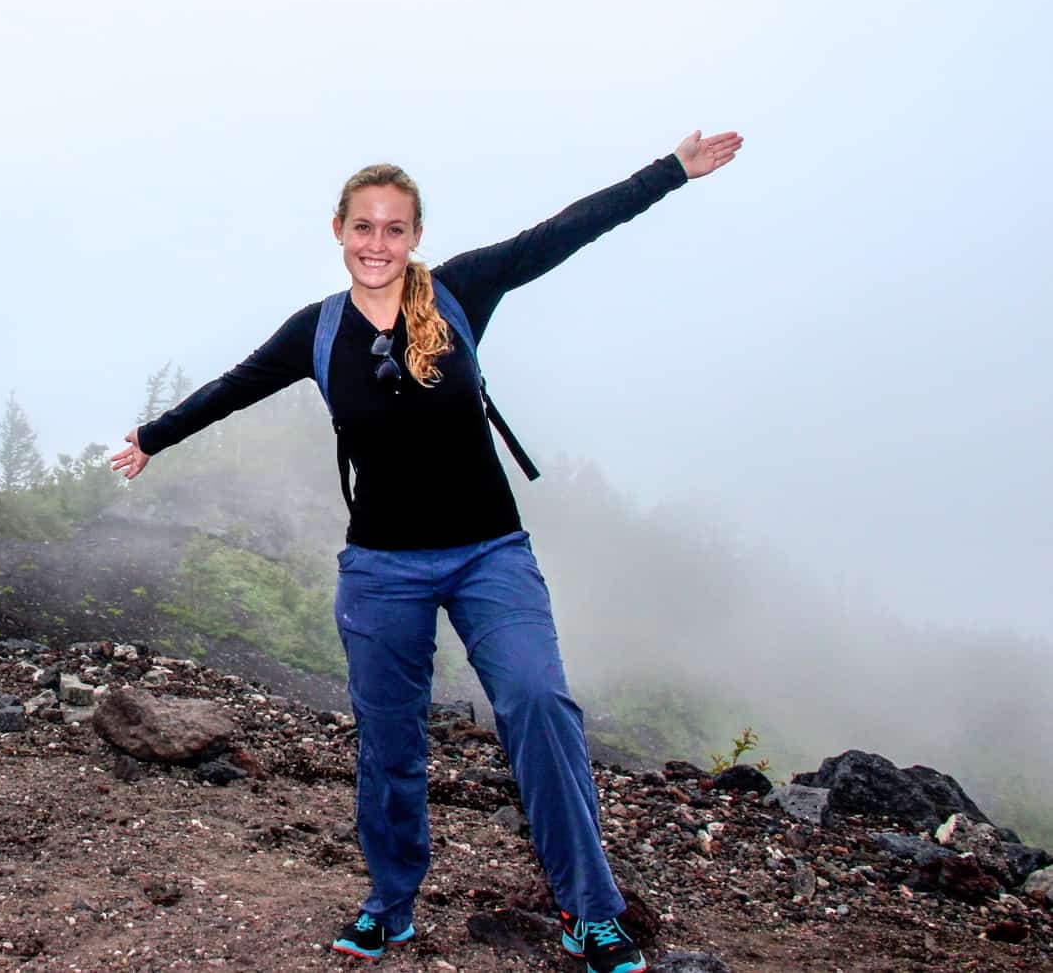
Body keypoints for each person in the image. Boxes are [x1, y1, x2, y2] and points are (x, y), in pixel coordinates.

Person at [110, 132, 742, 971]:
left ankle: (590, 909)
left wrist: (671, 172)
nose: (378, 243)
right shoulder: (317, 331)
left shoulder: (461, 291)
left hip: (490, 554)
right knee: (390, 739)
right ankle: (390, 903)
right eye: (363, 227)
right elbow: (234, 386)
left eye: (395, 228)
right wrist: (153, 436)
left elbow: (566, 229)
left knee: (540, 704)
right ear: (337, 229)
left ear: (415, 236)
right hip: (381, 569)